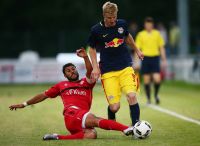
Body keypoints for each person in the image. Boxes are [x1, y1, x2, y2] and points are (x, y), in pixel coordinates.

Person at [9, 48, 134, 140]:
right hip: (72, 113)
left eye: (73, 69)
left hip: (77, 120)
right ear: (65, 75)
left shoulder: (86, 83)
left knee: (91, 135)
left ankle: (57, 137)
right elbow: (43, 95)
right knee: (96, 120)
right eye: (68, 71)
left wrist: (85, 57)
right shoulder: (61, 85)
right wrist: (24, 104)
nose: (72, 71)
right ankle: (126, 128)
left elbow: (90, 71)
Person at [88, 1, 144, 126]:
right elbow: (92, 49)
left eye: (114, 17)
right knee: (114, 107)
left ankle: (136, 126)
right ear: (104, 16)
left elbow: (128, 37)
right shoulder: (96, 30)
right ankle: (111, 115)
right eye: (109, 18)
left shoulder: (122, 24)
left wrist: (137, 50)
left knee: (131, 96)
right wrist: (95, 68)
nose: (112, 20)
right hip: (108, 71)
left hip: (125, 67)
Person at [135, 17, 167, 104]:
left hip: (155, 58)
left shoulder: (157, 34)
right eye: (147, 24)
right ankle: (149, 99)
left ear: (152, 25)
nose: (149, 26)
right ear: (145, 25)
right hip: (145, 59)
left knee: (157, 79)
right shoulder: (141, 34)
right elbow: (137, 49)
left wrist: (164, 60)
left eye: (150, 24)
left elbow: (161, 47)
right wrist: (136, 62)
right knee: (146, 80)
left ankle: (156, 95)